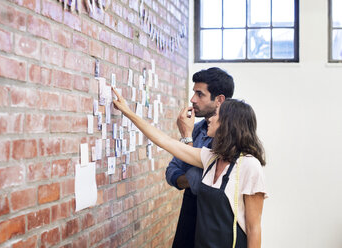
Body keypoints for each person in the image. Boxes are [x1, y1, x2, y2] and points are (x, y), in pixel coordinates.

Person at [112, 87, 267, 248]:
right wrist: (127, 112)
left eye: (215, 115)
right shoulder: (210, 158)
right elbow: (165, 141)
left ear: (228, 123)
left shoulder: (249, 165)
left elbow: (253, 228)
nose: (210, 119)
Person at [165, 67, 235, 247]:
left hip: (212, 226)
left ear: (219, 100)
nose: (192, 99)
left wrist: (186, 138)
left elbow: (196, 184)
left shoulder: (230, 138)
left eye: (200, 94)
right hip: (189, 217)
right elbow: (171, 171)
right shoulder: (196, 129)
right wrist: (185, 179)